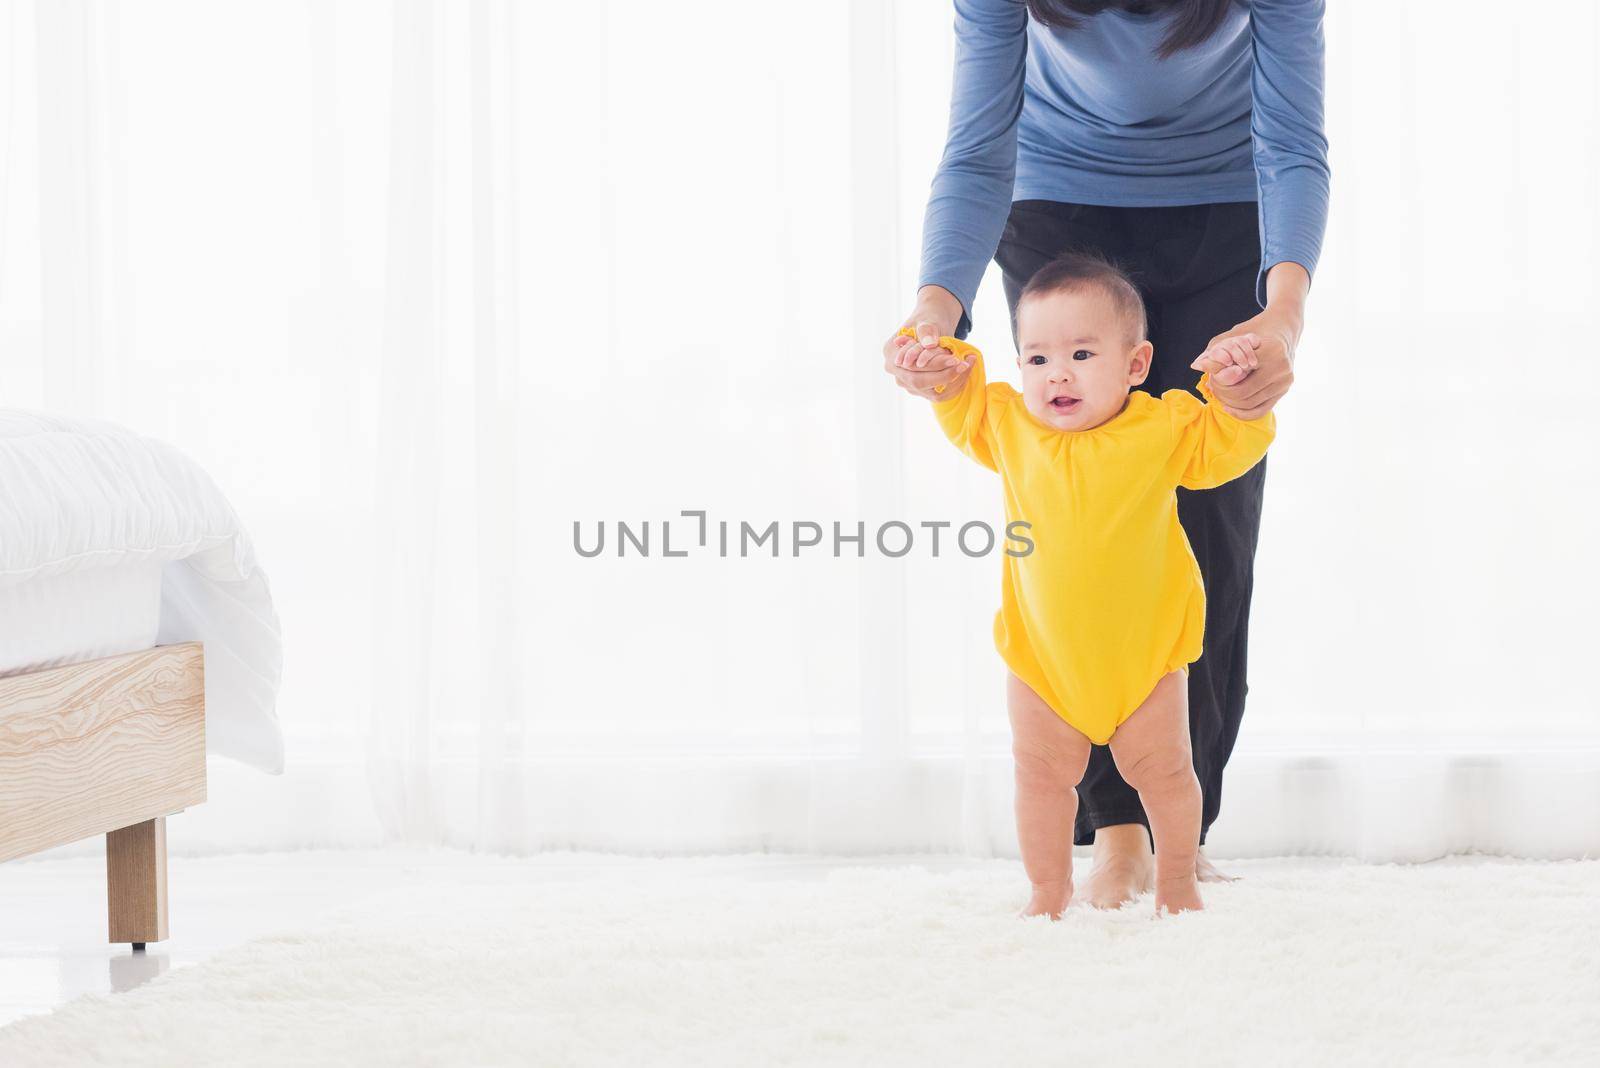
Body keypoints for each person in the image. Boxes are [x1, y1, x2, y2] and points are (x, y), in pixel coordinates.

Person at [883, 0, 1328, 907]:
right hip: (1055, 207)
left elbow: (1291, 142)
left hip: (1225, 204)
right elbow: (976, 149)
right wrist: (936, 314)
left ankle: (1178, 829)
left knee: (1212, 524)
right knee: (1076, 523)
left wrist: (1283, 315)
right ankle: (1115, 832)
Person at [902, 253, 1273, 916]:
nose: (1057, 374)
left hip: (1145, 659)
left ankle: (1178, 879)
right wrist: (938, 367)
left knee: (1167, 777)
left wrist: (1237, 390)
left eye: (1080, 352)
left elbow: (1227, 445)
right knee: (1039, 780)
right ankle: (1047, 892)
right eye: (1037, 359)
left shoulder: (1161, 427)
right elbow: (959, 404)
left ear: (1135, 365)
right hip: (1044, 660)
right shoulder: (1011, 427)